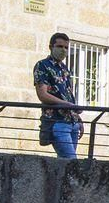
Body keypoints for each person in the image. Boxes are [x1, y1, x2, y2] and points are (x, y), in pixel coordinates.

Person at [33, 32, 82, 160]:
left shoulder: (65, 69)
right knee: (71, 162)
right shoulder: (42, 65)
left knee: (66, 165)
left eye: (66, 47)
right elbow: (43, 95)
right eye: (60, 46)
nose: (63, 50)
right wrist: (68, 105)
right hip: (57, 121)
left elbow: (68, 95)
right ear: (51, 47)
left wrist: (78, 119)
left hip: (71, 121)